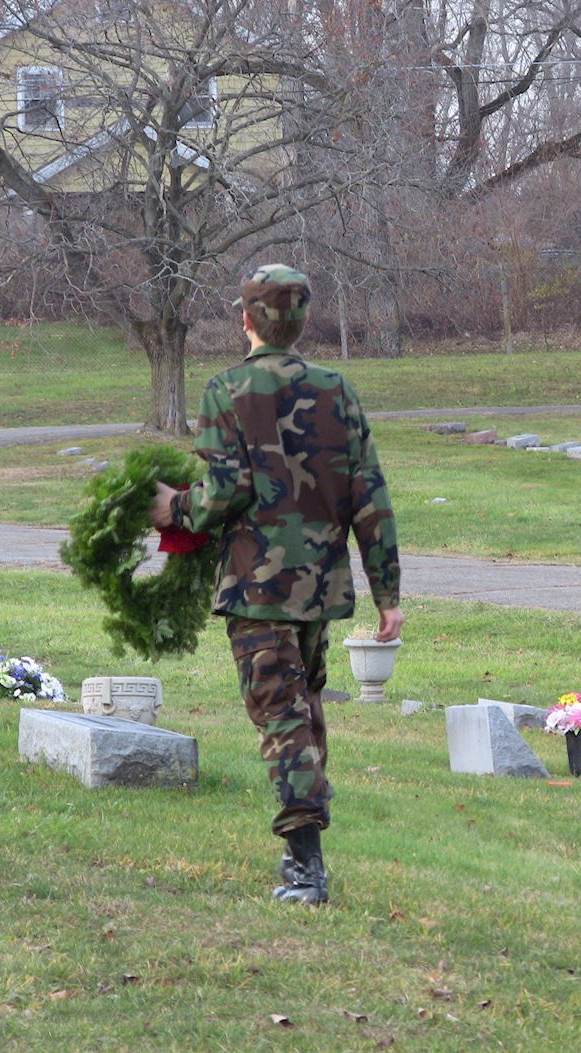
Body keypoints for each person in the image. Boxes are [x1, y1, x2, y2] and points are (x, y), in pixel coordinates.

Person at [150, 263, 402, 906]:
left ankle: (305, 865)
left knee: (282, 718)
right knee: (303, 709)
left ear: (246, 319)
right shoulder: (336, 390)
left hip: (257, 587)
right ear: (301, 320)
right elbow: (368, 495)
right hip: (318, 587)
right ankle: (310, 825)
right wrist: (387, 593)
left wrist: (171, 510)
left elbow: (222, 490)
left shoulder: (226, 390)